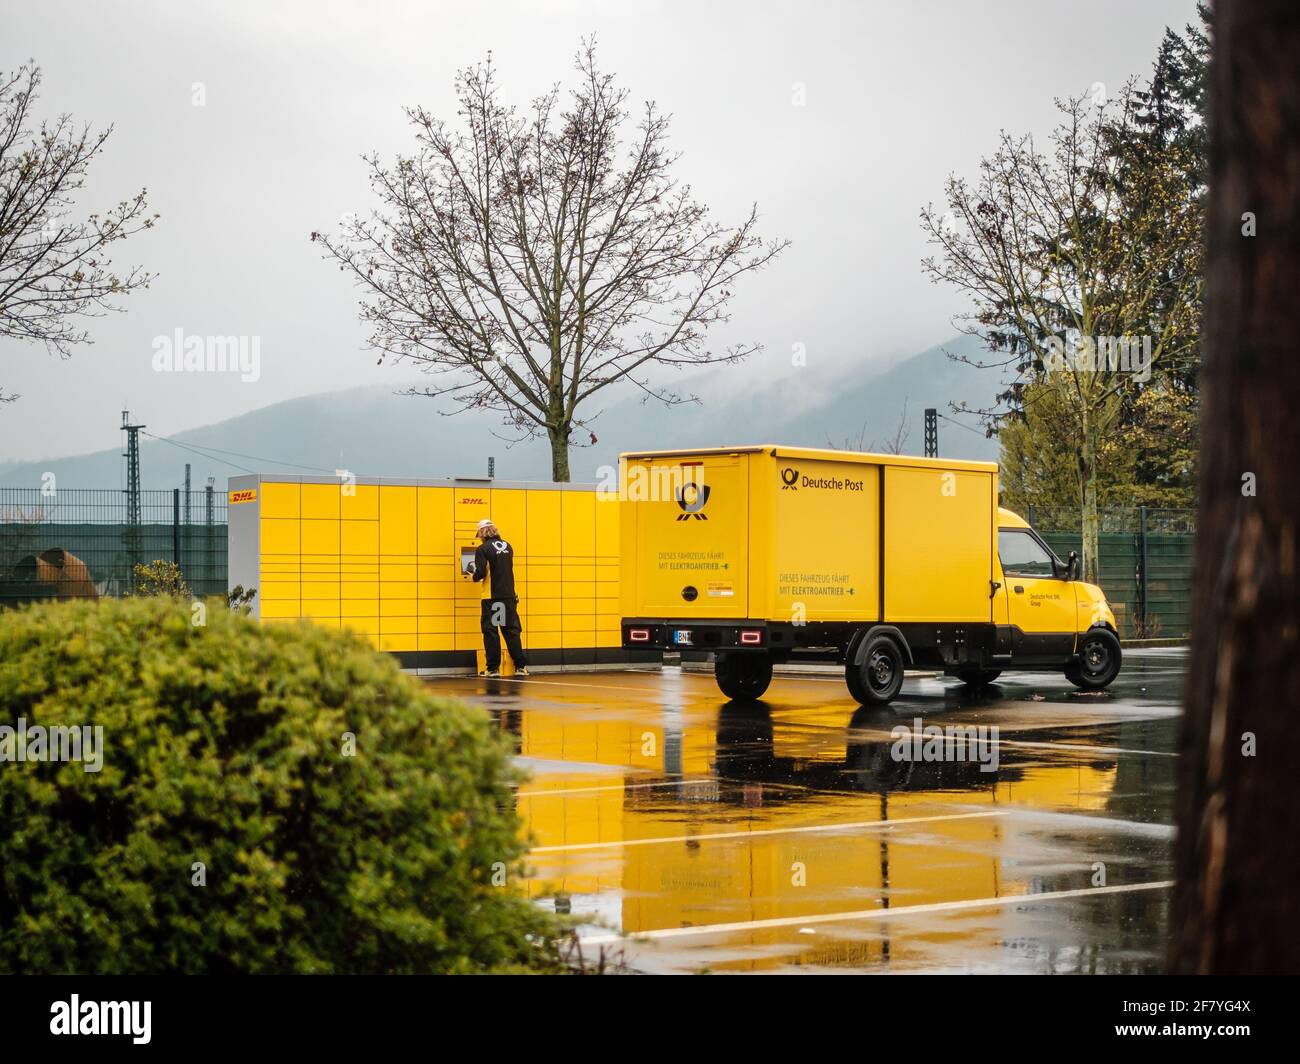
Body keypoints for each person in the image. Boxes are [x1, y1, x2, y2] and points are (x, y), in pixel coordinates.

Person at [467, 518, 529, 678]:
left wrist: (472, 576)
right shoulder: (508, 546)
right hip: (509, 596)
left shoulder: (483, 549)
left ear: (482, 533)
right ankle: (520, 667)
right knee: (511, 631)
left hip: (493, 598)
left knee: (491, 631)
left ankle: (493, 669)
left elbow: (480, 573)